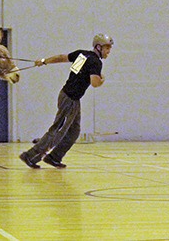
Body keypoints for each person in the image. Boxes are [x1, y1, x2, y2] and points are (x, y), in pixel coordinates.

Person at [19, 33, 114, 169]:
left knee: (74, 131)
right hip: (69, 99)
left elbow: (61, 58)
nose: (108, 51)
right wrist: (102, 79)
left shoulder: (82, 55)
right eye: (107, 48)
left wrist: (44, 61)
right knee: (58, 130)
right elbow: (94, 83)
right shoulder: (95, 62)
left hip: (69, 97)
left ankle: (54, 157)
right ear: (98, 47)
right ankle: (30, 156)